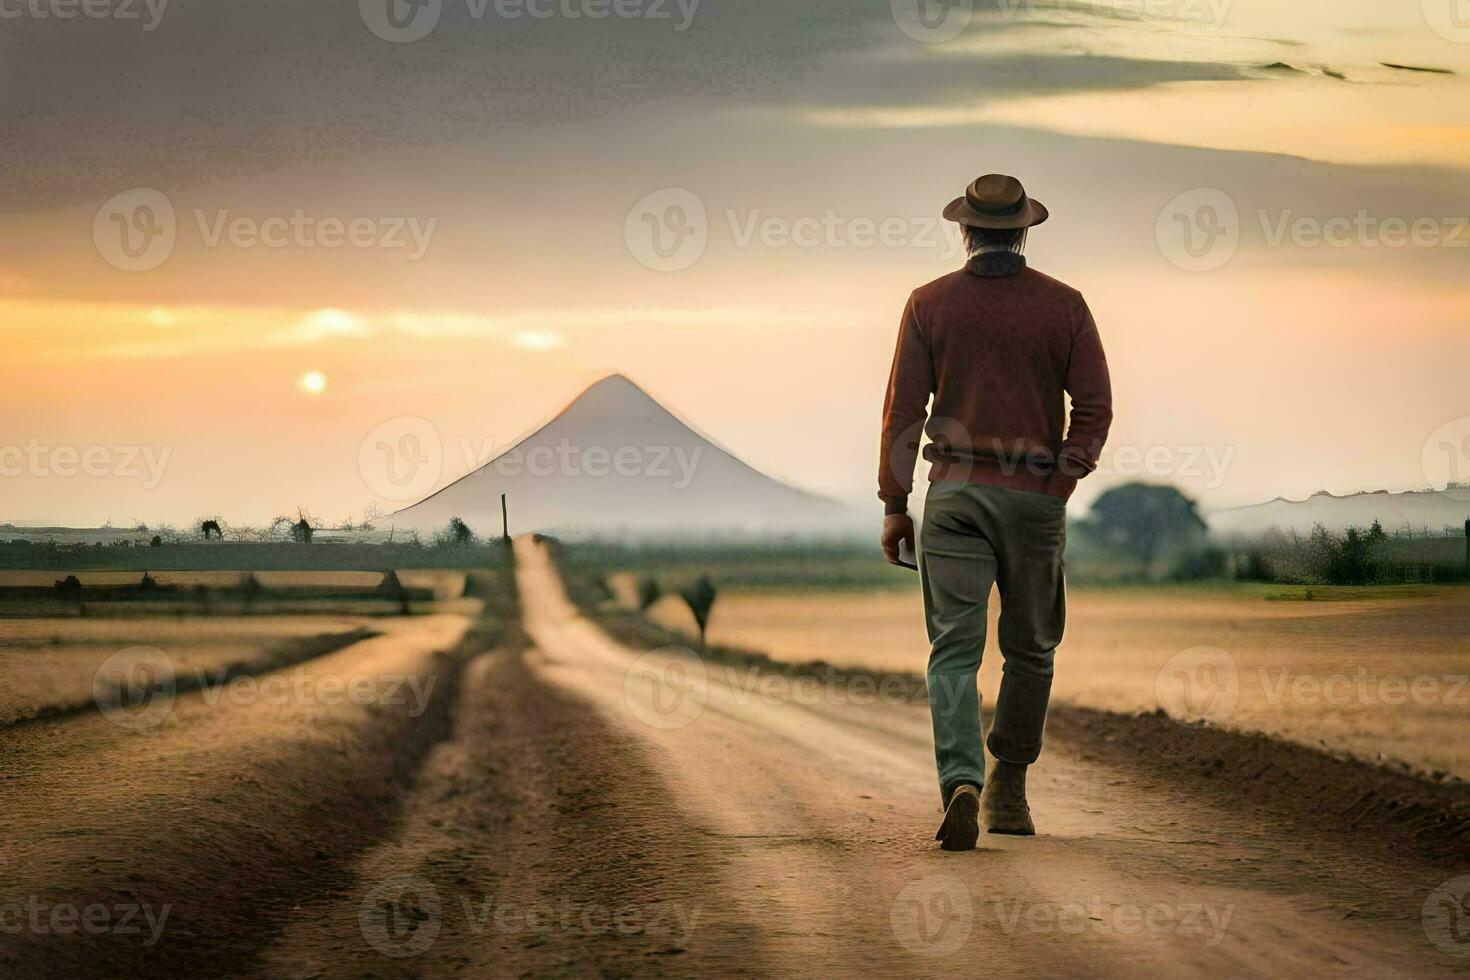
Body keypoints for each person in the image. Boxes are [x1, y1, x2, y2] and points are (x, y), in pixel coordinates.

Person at [877, 174, 1112, 851]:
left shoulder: (928, 304)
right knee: (1031, 649)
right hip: (1034, 500)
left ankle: (961, 780)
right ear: (1026, 230)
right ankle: (1009, 786)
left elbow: (902, 413)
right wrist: (1061, 482)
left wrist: (896, 505)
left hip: (953, 495)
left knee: (953, 651)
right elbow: (1094, 409)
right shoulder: (1065, 306)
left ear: (964, 230)